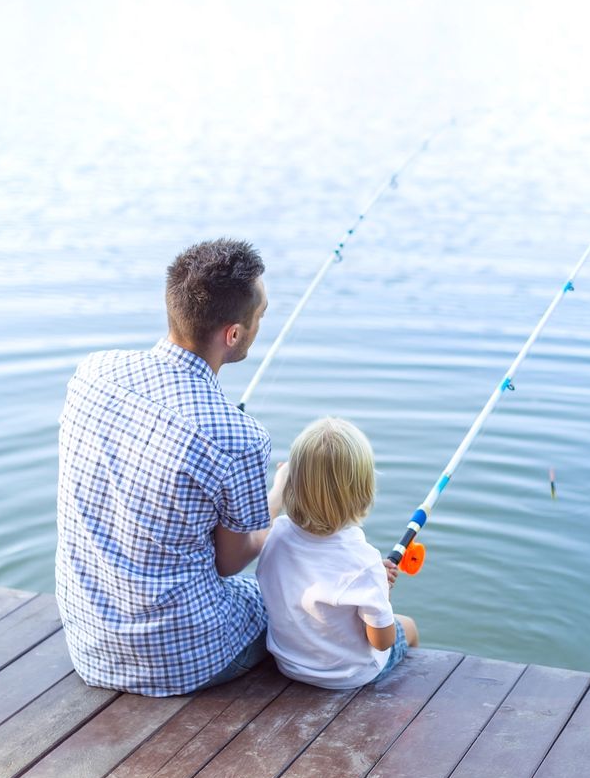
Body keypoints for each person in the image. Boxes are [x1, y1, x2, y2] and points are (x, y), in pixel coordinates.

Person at [56, 238, 283, 696]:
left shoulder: (92, 373)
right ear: (234, 334)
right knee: (295, 604)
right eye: (260, 317)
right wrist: (279, 502)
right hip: (183, 660)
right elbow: (230, 561)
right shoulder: (240, 438)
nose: (261, 324)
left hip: (89, 643)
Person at [257, 417, 419, 689]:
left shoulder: (275, 534)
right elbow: (382, 641)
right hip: (347, 675)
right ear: (364, 491)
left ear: (293, 485)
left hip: (288, 663)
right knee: (409, 627)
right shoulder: (363, 561)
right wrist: (383, 594)